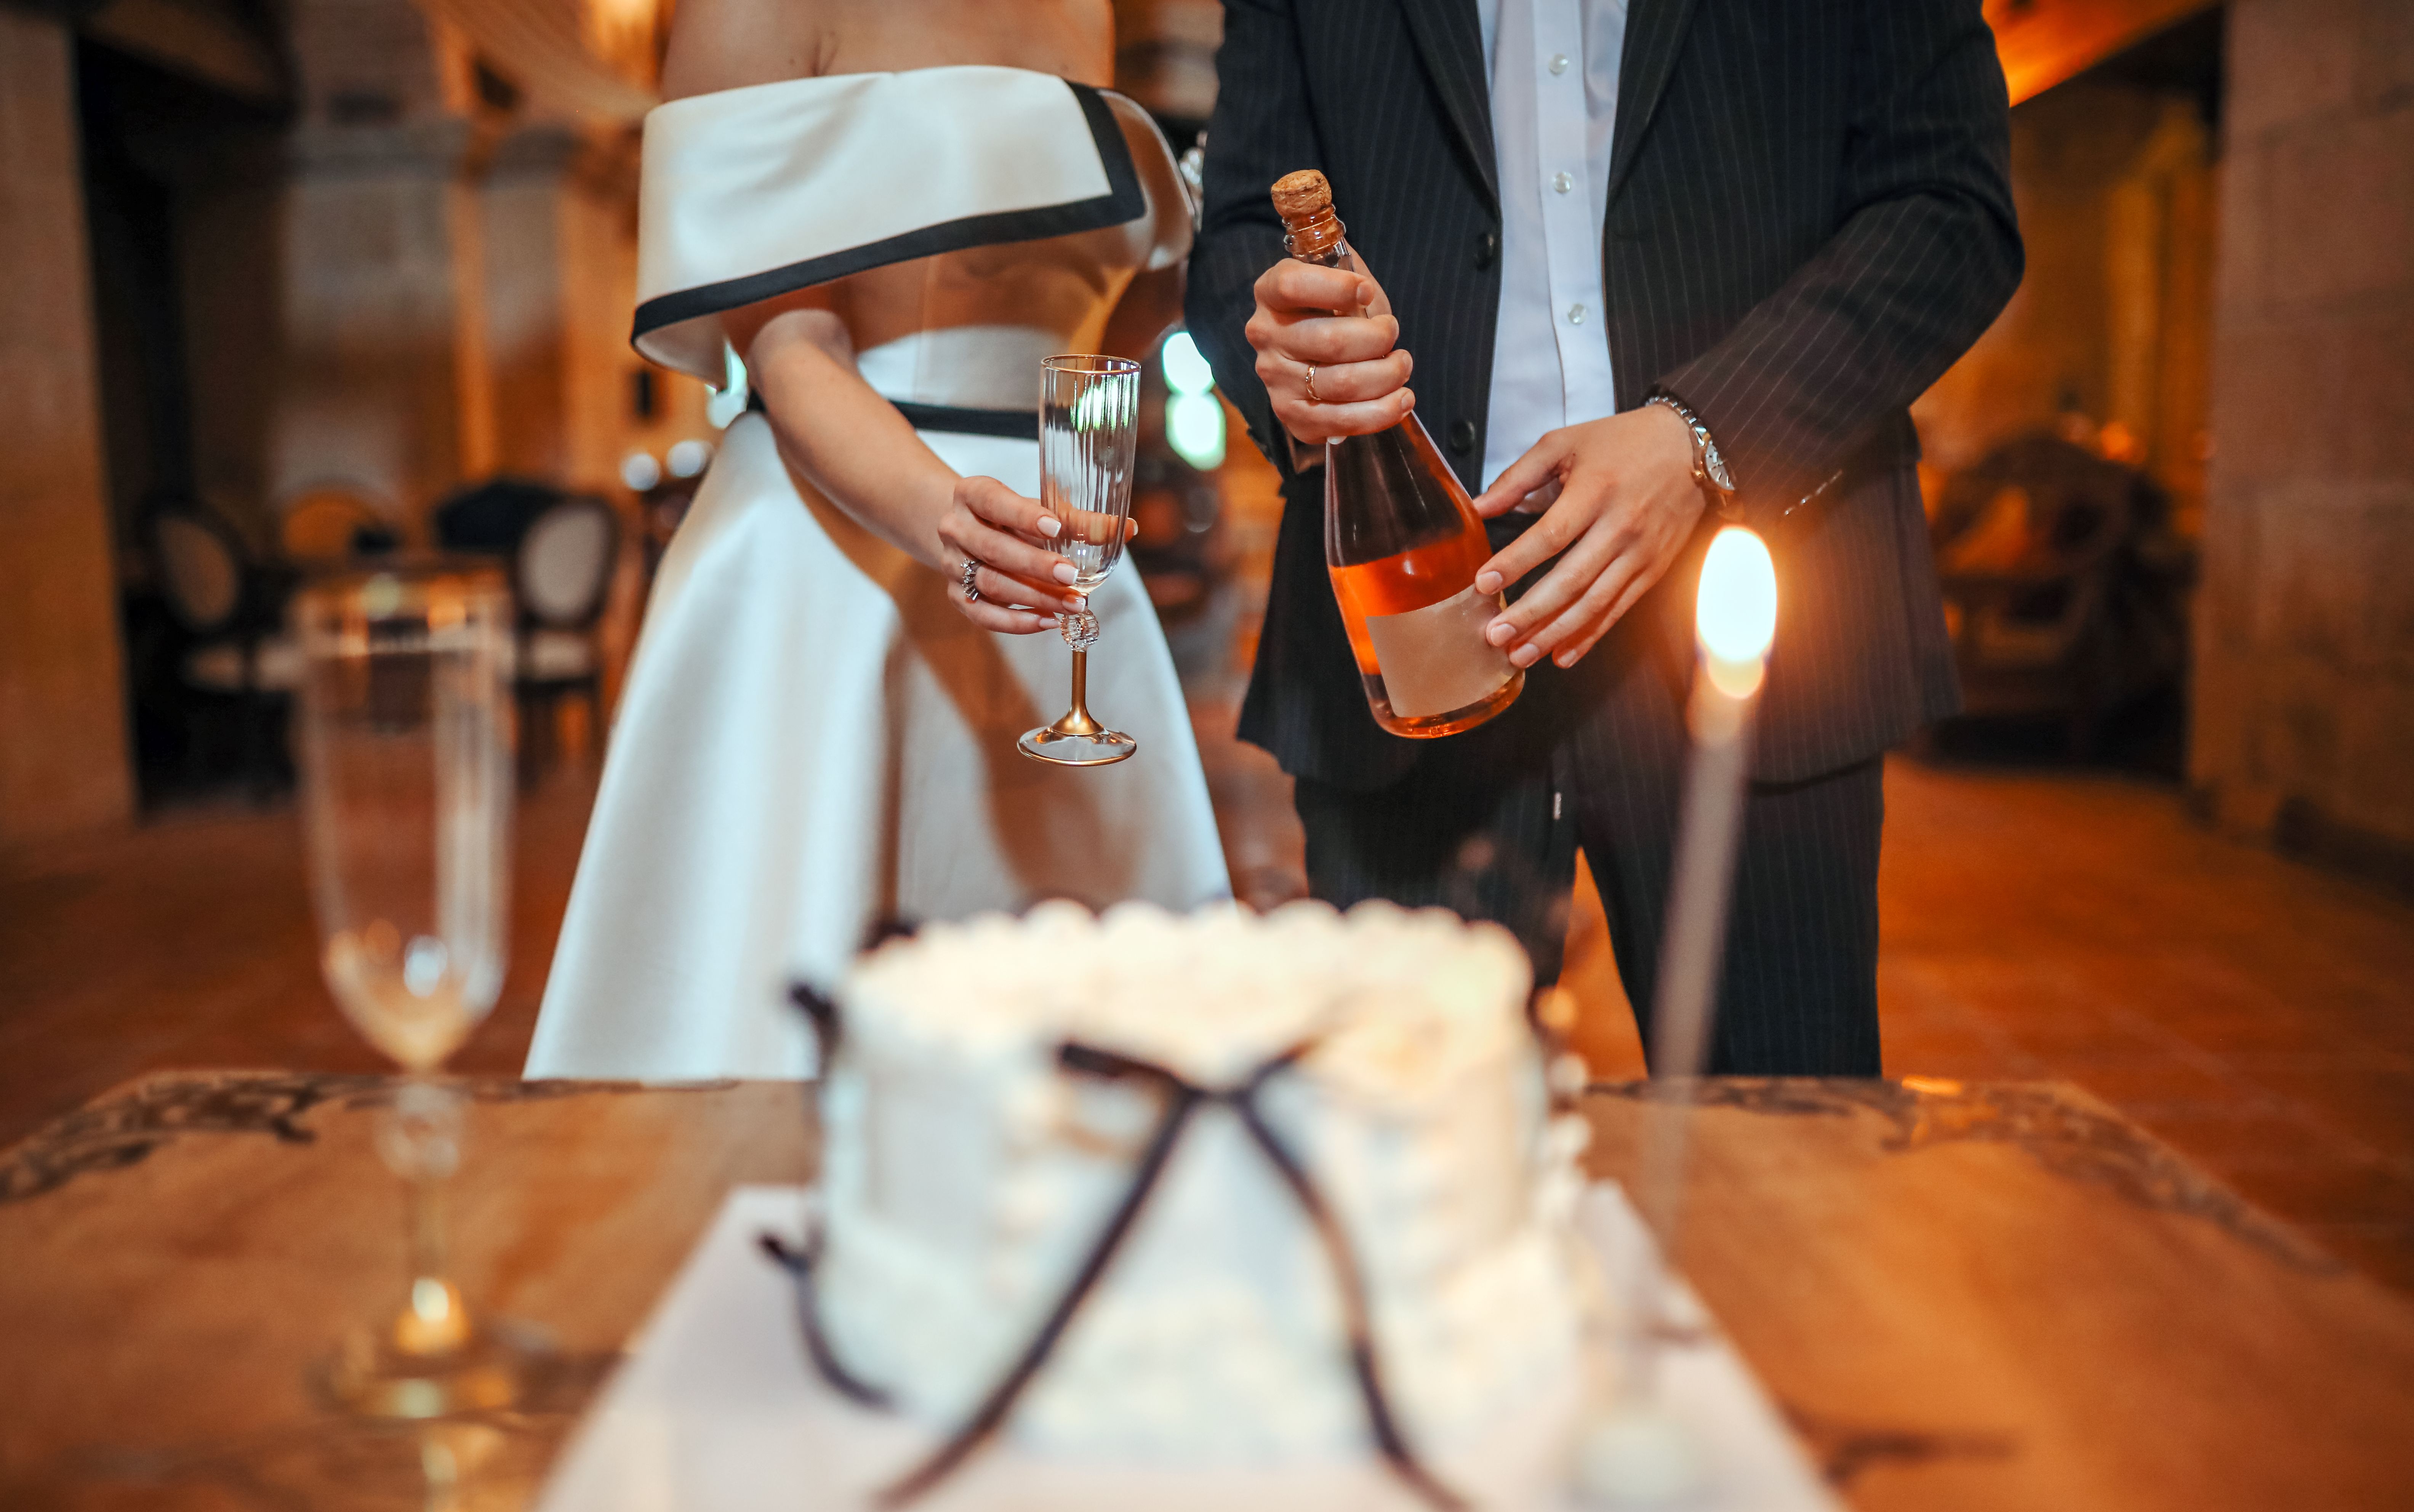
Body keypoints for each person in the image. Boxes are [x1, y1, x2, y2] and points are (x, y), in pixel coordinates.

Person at [1187, 0, 2022, 1075]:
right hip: (1413, 607)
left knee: (1777, 1146)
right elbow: (1237, 234)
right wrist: (1294, 361)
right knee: (1411, 1140)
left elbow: (1950, 204)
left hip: (1758, 589)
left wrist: (1708, 435)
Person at [528, 0, 1231, 1082]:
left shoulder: (1090, 9)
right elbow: (790, 349)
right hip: (836, 555)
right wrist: (949, 516)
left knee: (1071, 1040)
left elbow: (1080, 315)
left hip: (1043, 548)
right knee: (791, 1007)